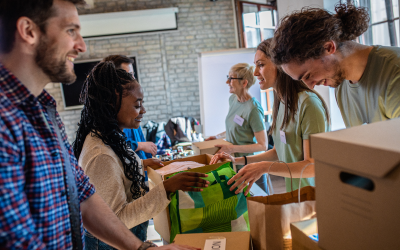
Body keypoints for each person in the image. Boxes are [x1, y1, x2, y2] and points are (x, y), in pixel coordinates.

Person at [0, 0, 202, 249]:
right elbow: (14, 239)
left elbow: (85, 197)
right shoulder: (5, 121)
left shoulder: (46, 112)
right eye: (71, 31)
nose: (81, 46)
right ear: (29, 31)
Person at [73, 61, 209, 249]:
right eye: (137, 105)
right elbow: (116, 221)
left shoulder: (110, 137)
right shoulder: (100, 155)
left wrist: (141, 166)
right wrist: (167, 188)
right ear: (113, 103)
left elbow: (119, 179)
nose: (143, 111)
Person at [210, 39, 330, 194]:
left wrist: (264, 167)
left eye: (261, 64)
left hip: (313, 199)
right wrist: (238, 161)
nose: (255, 73)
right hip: (293, 196)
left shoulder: (308, 104)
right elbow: (279, 152)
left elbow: (311, 167)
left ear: (280, 65)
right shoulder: (281, 102)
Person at [271, 3, 400, 128]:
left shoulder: (394, 71)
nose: (311, 85)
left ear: (328, 47)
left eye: (308, 75)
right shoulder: (341, 85)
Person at [206, 63, 267, 164]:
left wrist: (231, 148)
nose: (227, 82)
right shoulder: (233, 100)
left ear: (244, 83)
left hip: (250, 165)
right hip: (234, 162)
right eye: (228, 77)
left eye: (231, 79)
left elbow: (262, 145)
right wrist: (217, 137)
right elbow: (237, 128)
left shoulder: (254, 109)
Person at [102, 55, 156, 159]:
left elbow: (139, 137)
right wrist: (140, 145)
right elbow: (114, 144)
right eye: (129, 75)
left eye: (133, 74)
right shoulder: (112, 115)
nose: (133, 79)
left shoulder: (132, 113)